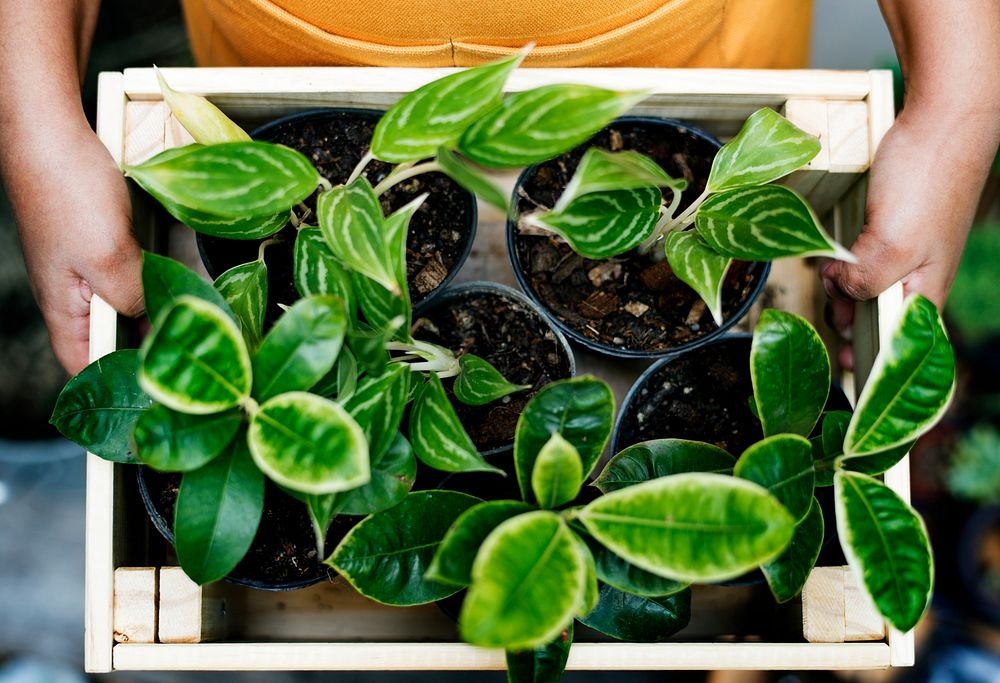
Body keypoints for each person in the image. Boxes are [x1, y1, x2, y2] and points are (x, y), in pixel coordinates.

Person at [0, 0, 998, 375]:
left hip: (680, 36)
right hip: (296, 41)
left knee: (673, 162)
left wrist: (961, 95)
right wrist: (34, 115)